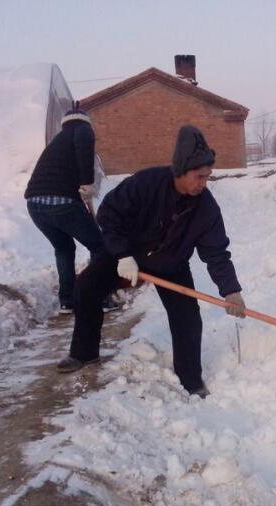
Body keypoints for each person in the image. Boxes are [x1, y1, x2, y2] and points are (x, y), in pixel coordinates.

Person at [57, 125, 246, 398]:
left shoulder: (206, 207)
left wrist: (231, 291)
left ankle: (190, 380)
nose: (203, 184)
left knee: (187, 318)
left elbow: (216, 252)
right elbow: (109, 214)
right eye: (199, 177)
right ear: (181, 169)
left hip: (171, 263)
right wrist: (122, 254)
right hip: (126, 254)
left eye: (207, 177)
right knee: (86, 286)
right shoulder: (146, 183)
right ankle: (84, 353)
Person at [24, 102, 116, 314]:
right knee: (100, 247)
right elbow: (84, 153)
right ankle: (97, 297)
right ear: (85, 120)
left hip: (35, 206)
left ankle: (67, 301)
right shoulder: (83, 130)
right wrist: (86, 183)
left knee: (64, 249)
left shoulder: (59, 139)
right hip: (61, 203)